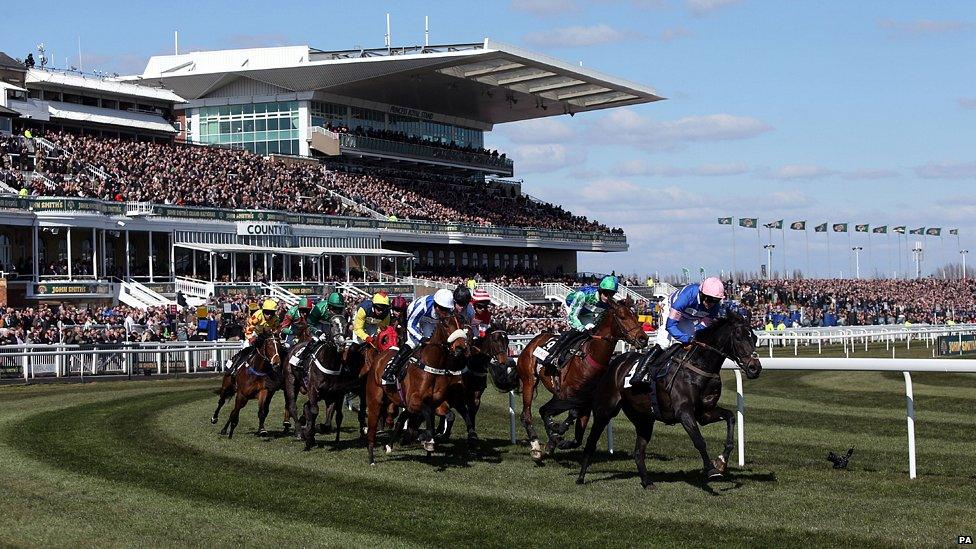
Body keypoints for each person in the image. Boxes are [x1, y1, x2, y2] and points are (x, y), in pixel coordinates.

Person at [632, 277, 725, 386]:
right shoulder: (687, 296)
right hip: (670, 308)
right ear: (702, 294)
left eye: (716, 300)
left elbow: (703, 326)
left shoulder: (715, 307)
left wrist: (692, 337)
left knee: (693, 344)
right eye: (709, 299)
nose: (712, 304)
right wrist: (686, 339)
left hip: (688, 317)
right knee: (664, 343)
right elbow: (670, 326)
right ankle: (641, 372)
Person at [540, 275, 618, 369]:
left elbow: (600, 319)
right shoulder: (583, 295)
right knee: (576, 332)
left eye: (611, 294)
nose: (608, 296)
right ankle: (551, 355)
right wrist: (581, 328)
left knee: (591, 330)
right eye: (606, 293)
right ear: (601, 290)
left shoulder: (609, 303)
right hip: (572, 306)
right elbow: (573, 316)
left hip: (587, 313)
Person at [382, 288, 454, 384]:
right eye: (443, 309)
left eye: (447, 310)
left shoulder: (448, 309)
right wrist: (421, 338)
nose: (445, 312)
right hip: (417, 317)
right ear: (436, 306)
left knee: (434, 343)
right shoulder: (423, 306)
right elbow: (411, 326)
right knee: (413, 343)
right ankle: (390, 370)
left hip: (431, 320)